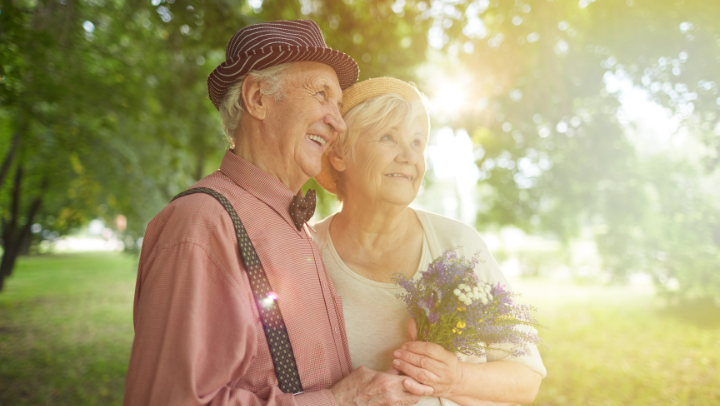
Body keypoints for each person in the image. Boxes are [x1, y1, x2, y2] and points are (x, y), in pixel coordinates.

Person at [123, 22, 434, 406]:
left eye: (338, 105)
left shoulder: (297, 227)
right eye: (322, 95)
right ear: (257, 98)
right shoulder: (202, 225)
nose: (337, 122)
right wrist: (339, 402)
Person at [312, 77, 547, 406]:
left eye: (417, 143)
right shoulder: (306, 252)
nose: (408, 156)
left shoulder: (459, 245)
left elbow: (526, 378)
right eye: (387, 138)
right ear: (338, 155)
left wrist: (457, 378)